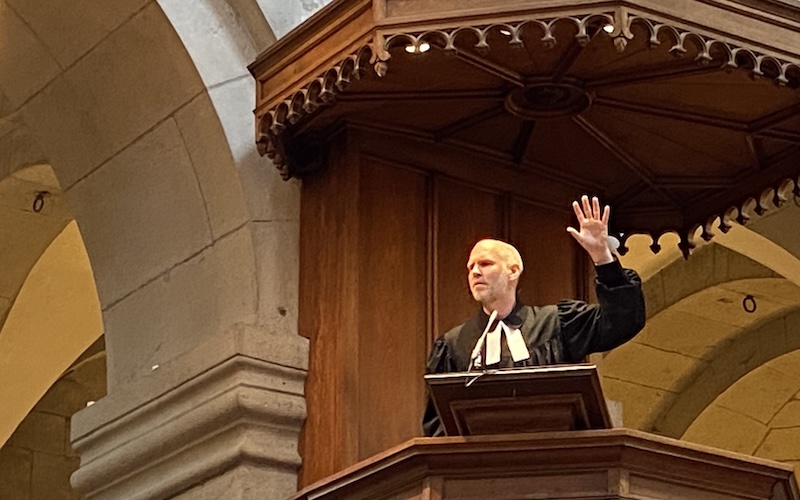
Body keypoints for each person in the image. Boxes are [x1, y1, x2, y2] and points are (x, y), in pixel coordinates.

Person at [422, 195, 646, 437]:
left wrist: (602, 257)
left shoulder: (557, 323)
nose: (475, 272)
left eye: (485, 264)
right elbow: (438, 427)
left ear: (513, 271)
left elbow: (622, 321)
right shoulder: (453, 345)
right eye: (470, 267)